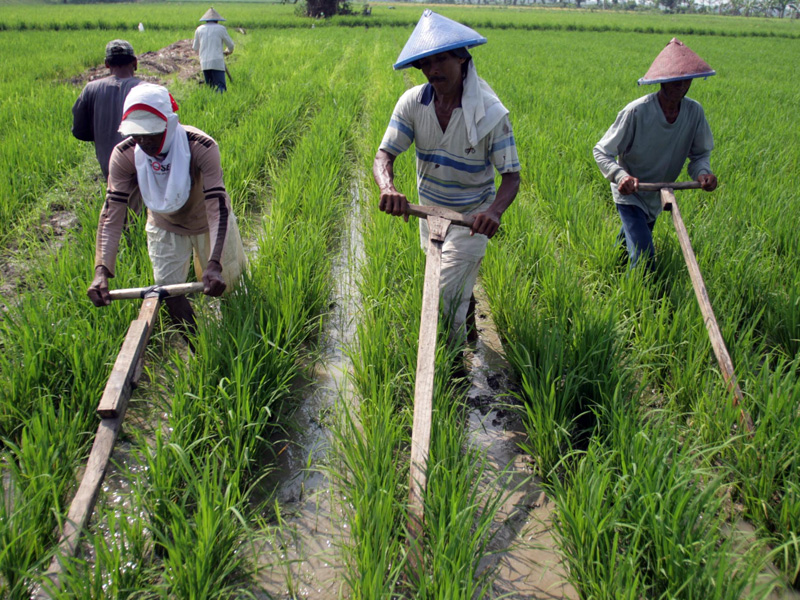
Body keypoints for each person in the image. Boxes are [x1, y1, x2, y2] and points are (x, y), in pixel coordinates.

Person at [373, 10, 520, 340]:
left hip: (470, 222)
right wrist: (388, 187)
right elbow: (384, 154)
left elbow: (511, 176)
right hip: (429, 214)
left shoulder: (490, 113)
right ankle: (468, 326)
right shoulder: (413, 103)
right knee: (447, 283)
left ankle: (453, 372)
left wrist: (493, 211)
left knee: (441, 300)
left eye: (440, 60)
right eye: (425, 63)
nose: (432, 70)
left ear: (463, 60)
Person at [87, 83, 247, 333]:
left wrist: (214, 263)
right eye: (137, 134)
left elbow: (217, 206)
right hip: (164, 224)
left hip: (207, 221)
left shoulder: (200, 146)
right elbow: (112, 214)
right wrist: (101, 270)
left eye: (151, 133)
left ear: (169, 124)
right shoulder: (125, 154)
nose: (144, 141)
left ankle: (234, 337)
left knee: (228, 284)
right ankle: (199, 350)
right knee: (168, 290)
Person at [594, 38, 718, 269]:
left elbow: (700, 155)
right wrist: (621, 177)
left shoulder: (694, 112)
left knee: (630, 242)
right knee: (644, 256)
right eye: (674, 80)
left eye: (685, 80)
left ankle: (609, 268)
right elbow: (602, 151)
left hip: (657, 191)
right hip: (631, 191)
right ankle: (633, 303)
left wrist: (703, 174)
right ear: (662, 81)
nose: (680, 86)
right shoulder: (637, 111)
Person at [71, 40, 142, 183]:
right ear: (135, 62)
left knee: (118, 201)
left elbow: (79, 131)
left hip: (109, 165)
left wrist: (103, 134)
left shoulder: (90, 89)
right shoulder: (146, 89)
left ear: (106, 64)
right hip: (142, 164)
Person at [192, 7, 234, 93]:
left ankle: (211, 102)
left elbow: (195, 47)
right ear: (217, 20)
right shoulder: (221, 28)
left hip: (204, 62)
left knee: (210, 87)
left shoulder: (199, 29)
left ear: (206, 20)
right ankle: (220, 103)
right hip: (217, 61)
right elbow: (230, 45)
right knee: (221, 86)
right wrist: (228, 51)